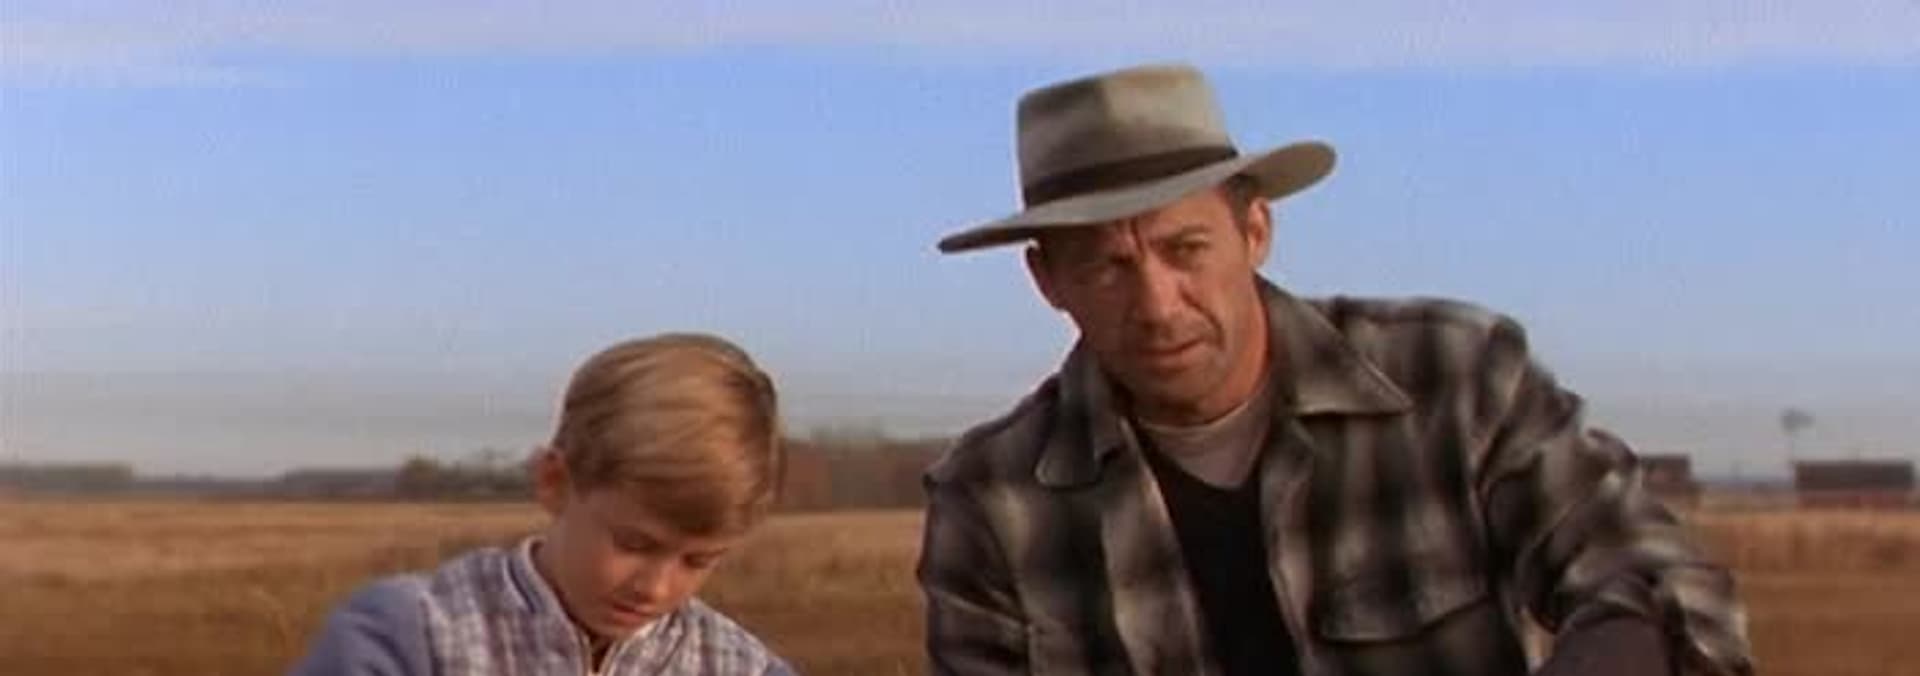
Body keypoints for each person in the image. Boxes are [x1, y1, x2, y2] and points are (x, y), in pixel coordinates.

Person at [916, 63, 1753, 676]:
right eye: (1108, 266)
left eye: (1185, 250)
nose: (1159, 304)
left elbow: (1652, 581)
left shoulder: (1455, 380)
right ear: (1048, 281)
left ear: (1255, 233)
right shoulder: (993, 502)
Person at [292, 333, 794, 675]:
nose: (655, 588)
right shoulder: (412, 636)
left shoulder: (739, 667)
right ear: (555, 482)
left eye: (697, 560)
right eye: (633, 544)